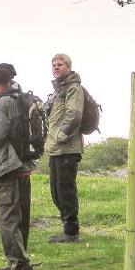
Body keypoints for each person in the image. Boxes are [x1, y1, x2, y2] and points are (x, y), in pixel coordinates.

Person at [0, 68, 33, 270]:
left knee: (6, 217)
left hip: (6, 167)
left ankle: (19, 263)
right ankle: (21, 258)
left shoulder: (0, 104)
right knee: (21, 215)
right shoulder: (20, 100)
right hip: (23, 165)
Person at [45, 53, 85, 243]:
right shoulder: (57, 90)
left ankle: (71, 231)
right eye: (53, 65)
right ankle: (66, 228)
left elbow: (74, 115)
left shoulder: (73, 88)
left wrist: (60, 136)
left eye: (60, 64)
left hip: (67, 148)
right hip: (55, 148)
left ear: (68, 67)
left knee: (65, 190)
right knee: (56, 191)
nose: (56, 67)